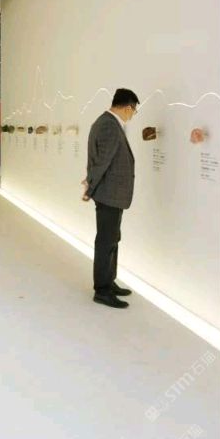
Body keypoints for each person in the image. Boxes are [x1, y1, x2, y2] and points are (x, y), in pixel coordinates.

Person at [82, 88, 140, 309]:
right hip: (108, 193)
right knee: (106, 241)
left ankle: (109, 281)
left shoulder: (108, 123)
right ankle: (102, 290)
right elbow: (101, 162)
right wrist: (90, 187)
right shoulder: (108, 125)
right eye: (134, 111)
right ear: (128, 107)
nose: (133, 115)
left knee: (113, 238)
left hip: (111, 194)